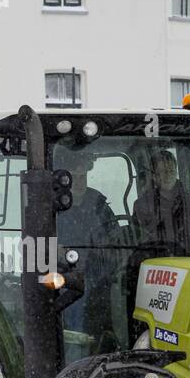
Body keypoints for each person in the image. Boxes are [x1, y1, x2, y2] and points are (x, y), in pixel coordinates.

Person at [55, 149, 121, 355]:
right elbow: (37, 240)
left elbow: (116, 238)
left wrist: (111, 251)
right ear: (66, 179)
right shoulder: (54, 206)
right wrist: (53, 248)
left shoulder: (99, 204)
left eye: (84, 175)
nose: (81, 180)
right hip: (66, 279)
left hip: (100, 277)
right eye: (75, 176)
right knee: (74, 325)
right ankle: (74, 362)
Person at [132, 149, 190, 256]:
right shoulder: (142, 206)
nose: (168, 175)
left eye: (171, 170)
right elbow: (138, 245)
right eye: (163, 171)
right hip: (159, 269)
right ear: (154, 176)